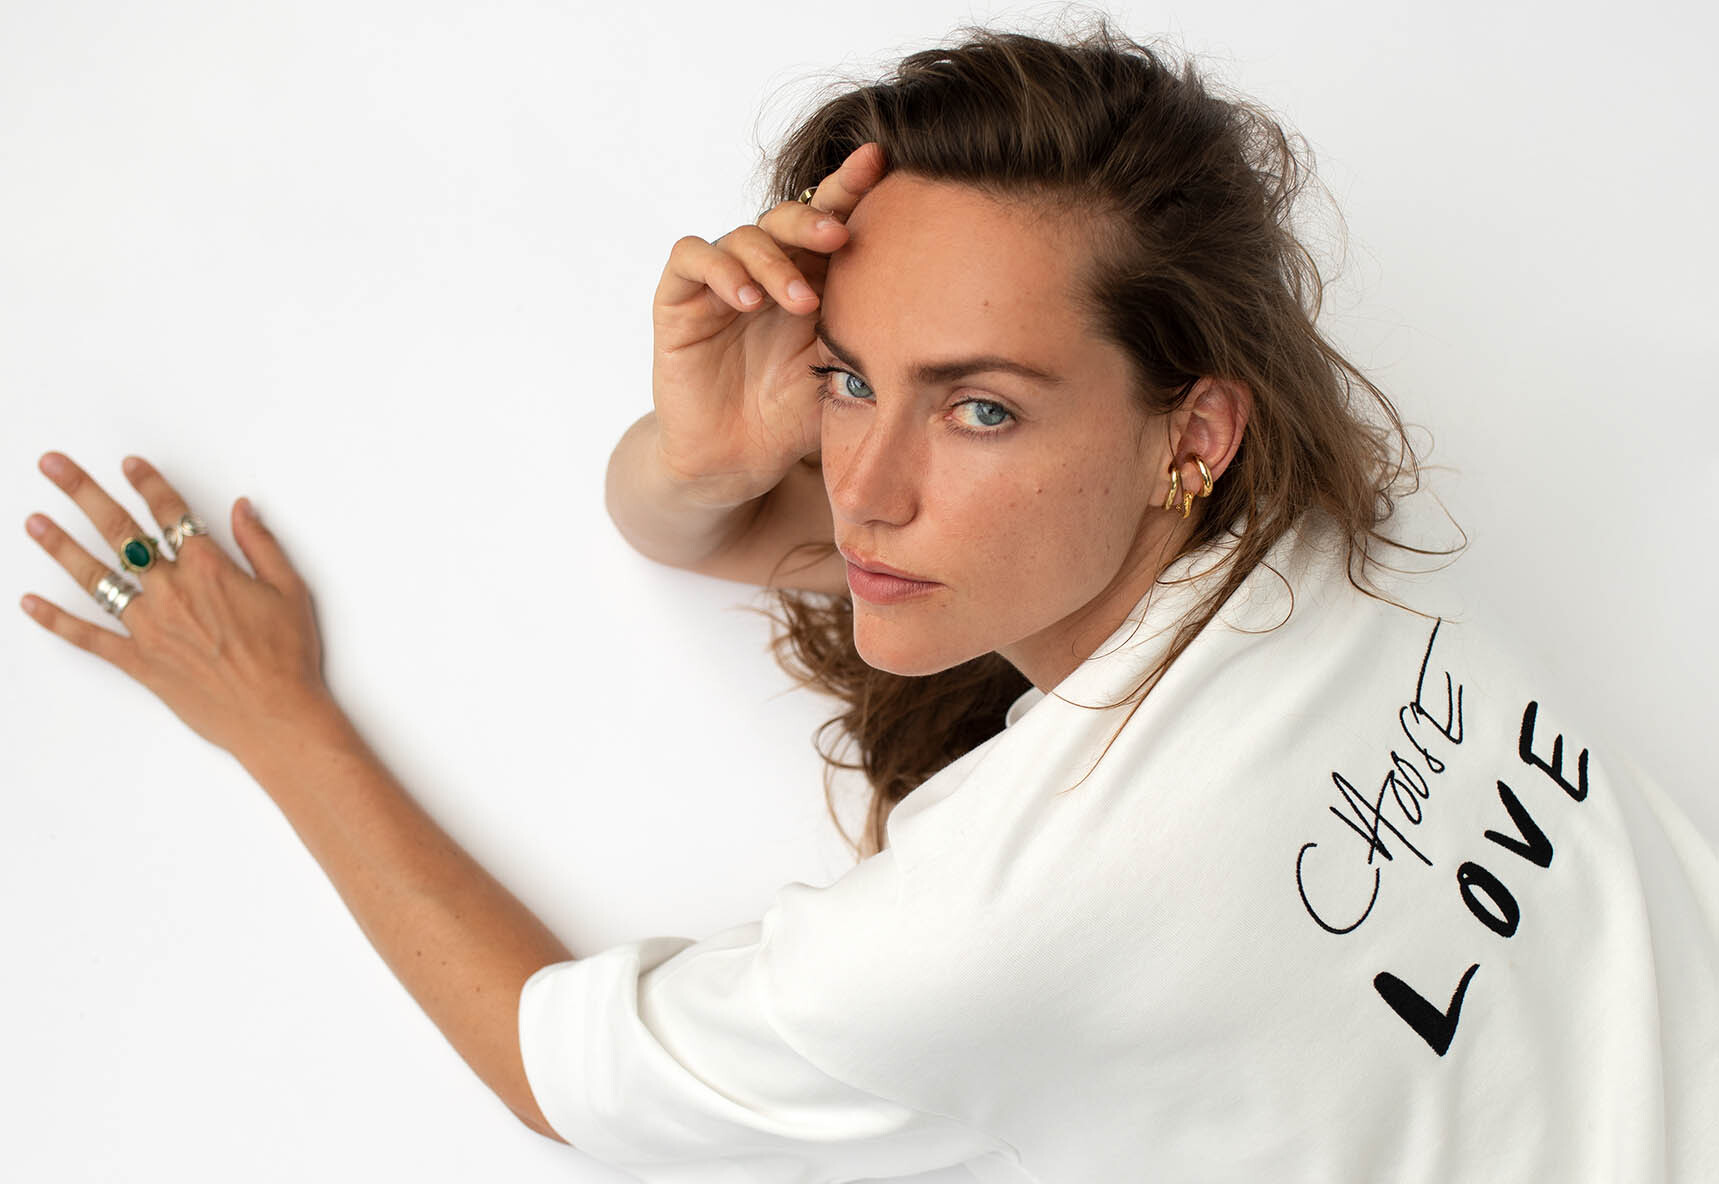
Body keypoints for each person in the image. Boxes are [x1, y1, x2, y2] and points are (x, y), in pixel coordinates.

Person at [19, 18, 1717, 1184]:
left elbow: (560, 1073)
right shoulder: (1306, 553)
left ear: (1189, 432)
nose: (867, 489)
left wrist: (274, 713)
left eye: (979, 406)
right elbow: (714, 528)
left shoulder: (1002, 917)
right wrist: (714, 445)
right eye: (847, 378)